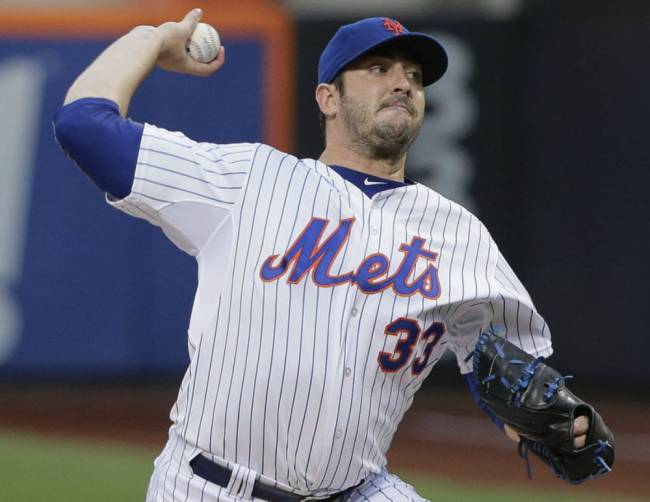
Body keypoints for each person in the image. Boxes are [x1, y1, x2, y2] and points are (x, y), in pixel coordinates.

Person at [53, 9, 589, 502]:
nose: (403, 82)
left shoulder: (460, 236)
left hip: (356, 490)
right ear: (328, 98)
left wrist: (544, 423)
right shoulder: (248, 181)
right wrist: (151, 39)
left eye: (414, 76)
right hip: (212, 485)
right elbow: (84, 125)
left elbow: (507, 373)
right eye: (378, 69)